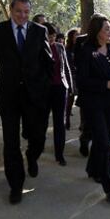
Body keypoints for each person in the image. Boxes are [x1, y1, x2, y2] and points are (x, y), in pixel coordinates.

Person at [0, 0, 52, 204]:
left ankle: (32, 156)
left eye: (26, 12)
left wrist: (45, 87)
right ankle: (16, 185)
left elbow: (47, 62)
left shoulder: (40, 31)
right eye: (19, 11)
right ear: (10, 11)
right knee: (10, 141)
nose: (22, 15)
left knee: (38, 136)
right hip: (8, 95)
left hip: (34, 95)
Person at [77, 14, 110, 203]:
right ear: (96, 31)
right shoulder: (86, 50)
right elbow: (83, 81)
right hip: (93, 103)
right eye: (106, 29)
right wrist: (106, 84)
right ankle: (109, 185)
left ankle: (92, 168)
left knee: (101, 139)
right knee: (104, 142)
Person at [41, 22, 73, 166]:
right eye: (49, 36)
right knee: (42, 122)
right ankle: (38, 148)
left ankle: (59, 154)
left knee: (59, 122)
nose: (52, 39)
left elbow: (66, 67)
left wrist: (71, 86)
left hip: (60, 88)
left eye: (53, 36)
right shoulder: (38, 47)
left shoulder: (60, 47)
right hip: (45, 90)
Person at [65, 28, 80, 130]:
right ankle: (67, 119)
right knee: (70, 98)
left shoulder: (80, 47)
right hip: (71, 76)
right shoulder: (67, 49)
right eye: (75, 35)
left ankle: (83, 123)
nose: (77, 37)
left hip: (80, 75)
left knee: (82, 100)